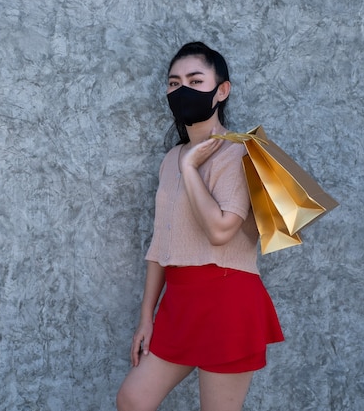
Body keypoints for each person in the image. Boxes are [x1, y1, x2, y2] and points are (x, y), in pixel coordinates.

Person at [116, 42, 284, 411]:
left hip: (228, 300)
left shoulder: (239, 152)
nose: (183, 91)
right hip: (179, 303)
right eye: (174, 83)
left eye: (195, 80)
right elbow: (162, 244)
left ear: (221, 90)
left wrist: (191, 169)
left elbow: (220, 231)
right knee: (132, 399)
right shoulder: (170, 159)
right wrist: (147, 317)